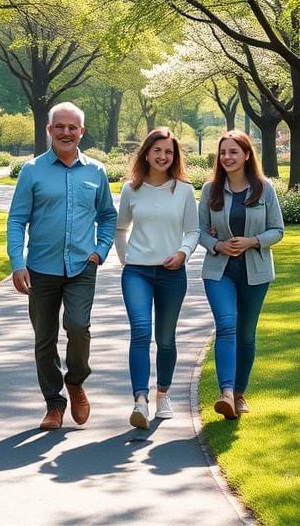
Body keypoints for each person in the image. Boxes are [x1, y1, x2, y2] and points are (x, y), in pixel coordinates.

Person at [7, 102, 117, 431]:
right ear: (49, 130)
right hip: (40, 269)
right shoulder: (32, 171)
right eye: (60, 127)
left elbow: (108, 216)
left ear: (81, 131)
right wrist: (17, 262)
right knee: (44, 338)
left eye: (73, 127)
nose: (66, 132)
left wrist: (101, 250)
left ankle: (77, 381)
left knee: (79, 327)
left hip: (82, 267)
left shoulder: (95, 171)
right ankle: (54, 404)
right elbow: (17, 219)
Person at [115, 128, 199, 430]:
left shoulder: (184, 190)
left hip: (172, 274)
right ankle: (140, 400)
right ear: (146, 153)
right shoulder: (131, 189)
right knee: (140, 331)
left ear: (174, 156)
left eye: (169, 152)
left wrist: (183, 253)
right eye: (158, 150)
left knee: (165, 339)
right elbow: (120, 228)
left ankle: (163, 393)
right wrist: (127, 259)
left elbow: (193, 231)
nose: (163, 156)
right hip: (137, 273)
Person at [198, 131, 284, 419]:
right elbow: (198, 231)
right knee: (226, 324)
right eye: (223, 152)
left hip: (255, 272)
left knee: (246, 334)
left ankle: (239, 393)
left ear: (247, 155)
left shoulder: (263, 189)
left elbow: (277, 230)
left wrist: (252, 241)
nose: (227, 157)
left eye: (233, 152)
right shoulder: (210, 190)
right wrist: (217, 244)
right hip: (218, 270)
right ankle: (225, 392)